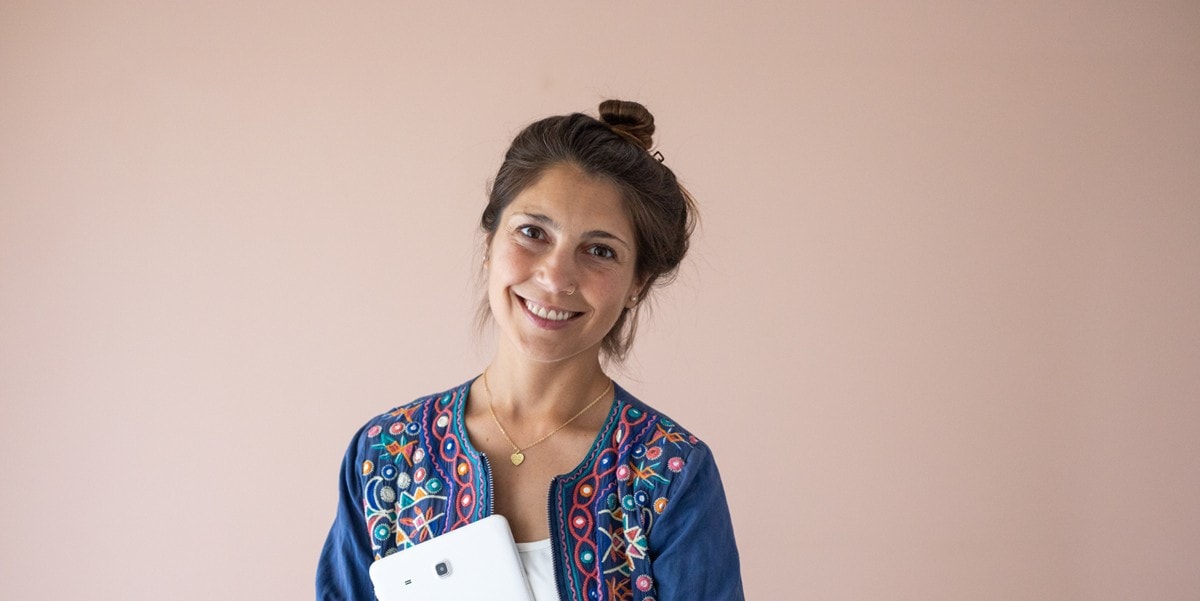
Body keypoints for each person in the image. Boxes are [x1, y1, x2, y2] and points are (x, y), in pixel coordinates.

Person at [317, 100, 744, 601]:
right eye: (533, 233)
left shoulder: (669, 472)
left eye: (600, 250)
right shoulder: (387, 453)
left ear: (638, 283)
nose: (556, 277)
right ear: (489, 242)